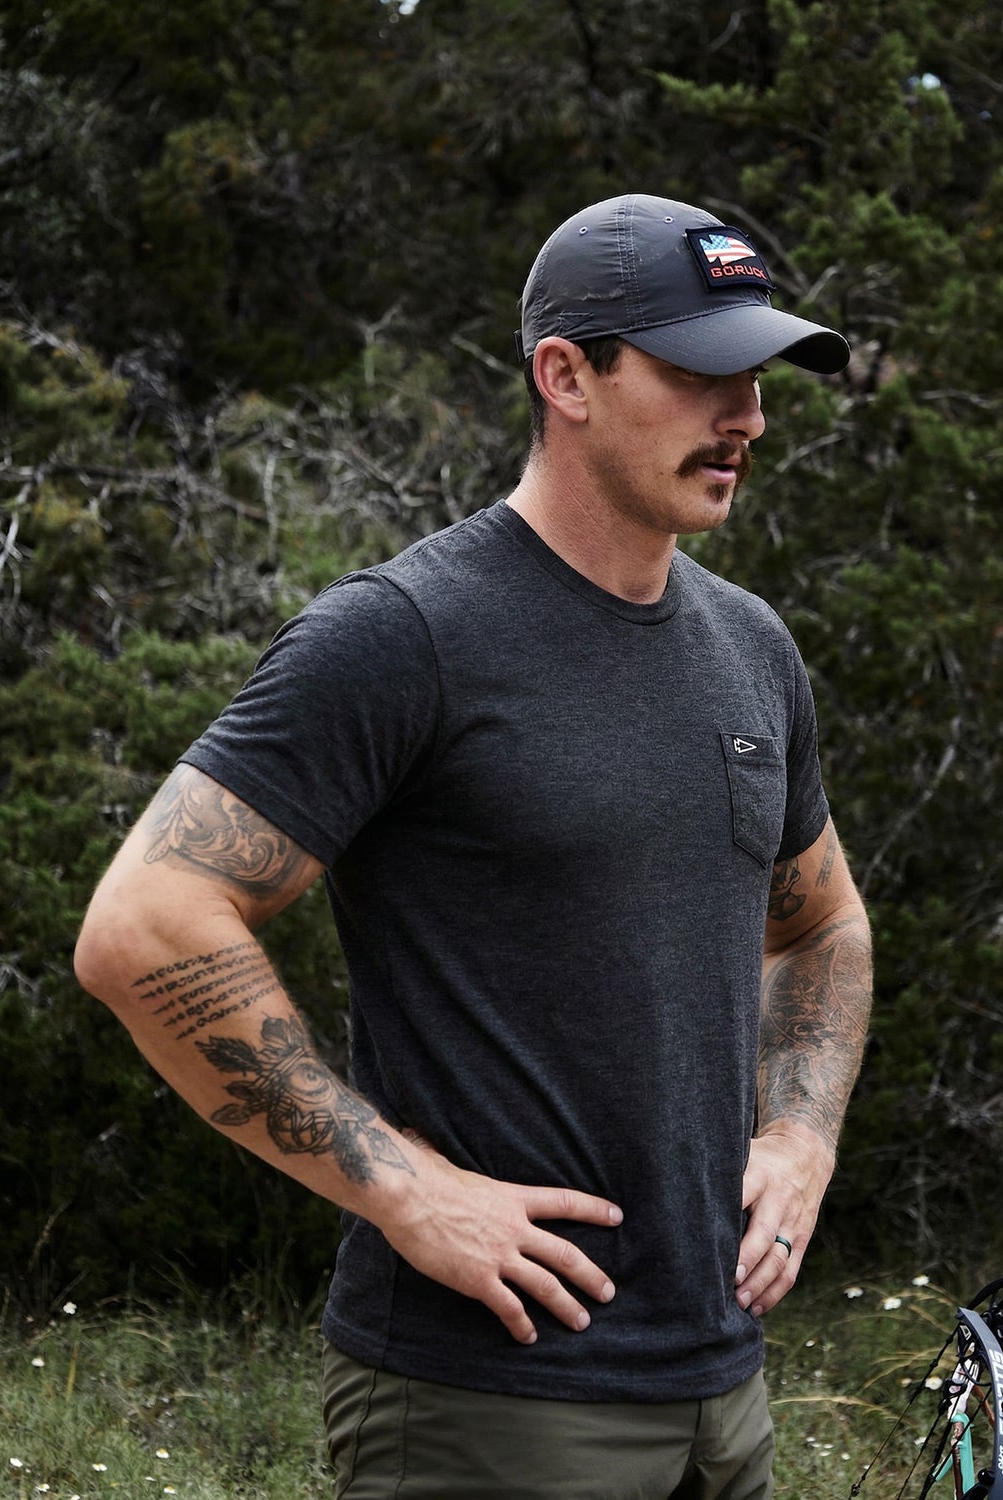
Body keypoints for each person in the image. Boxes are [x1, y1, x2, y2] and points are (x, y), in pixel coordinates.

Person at [74, 192, 873, 1500]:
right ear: (566, 374)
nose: (748, 419)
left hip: (720, 1393)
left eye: (759, 376)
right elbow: (143, 924)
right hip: (488, 1401)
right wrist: (404, 1191)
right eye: (699, 374)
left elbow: (822, 921)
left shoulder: (751, 653)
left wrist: (800, 1136)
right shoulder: (409, 637)